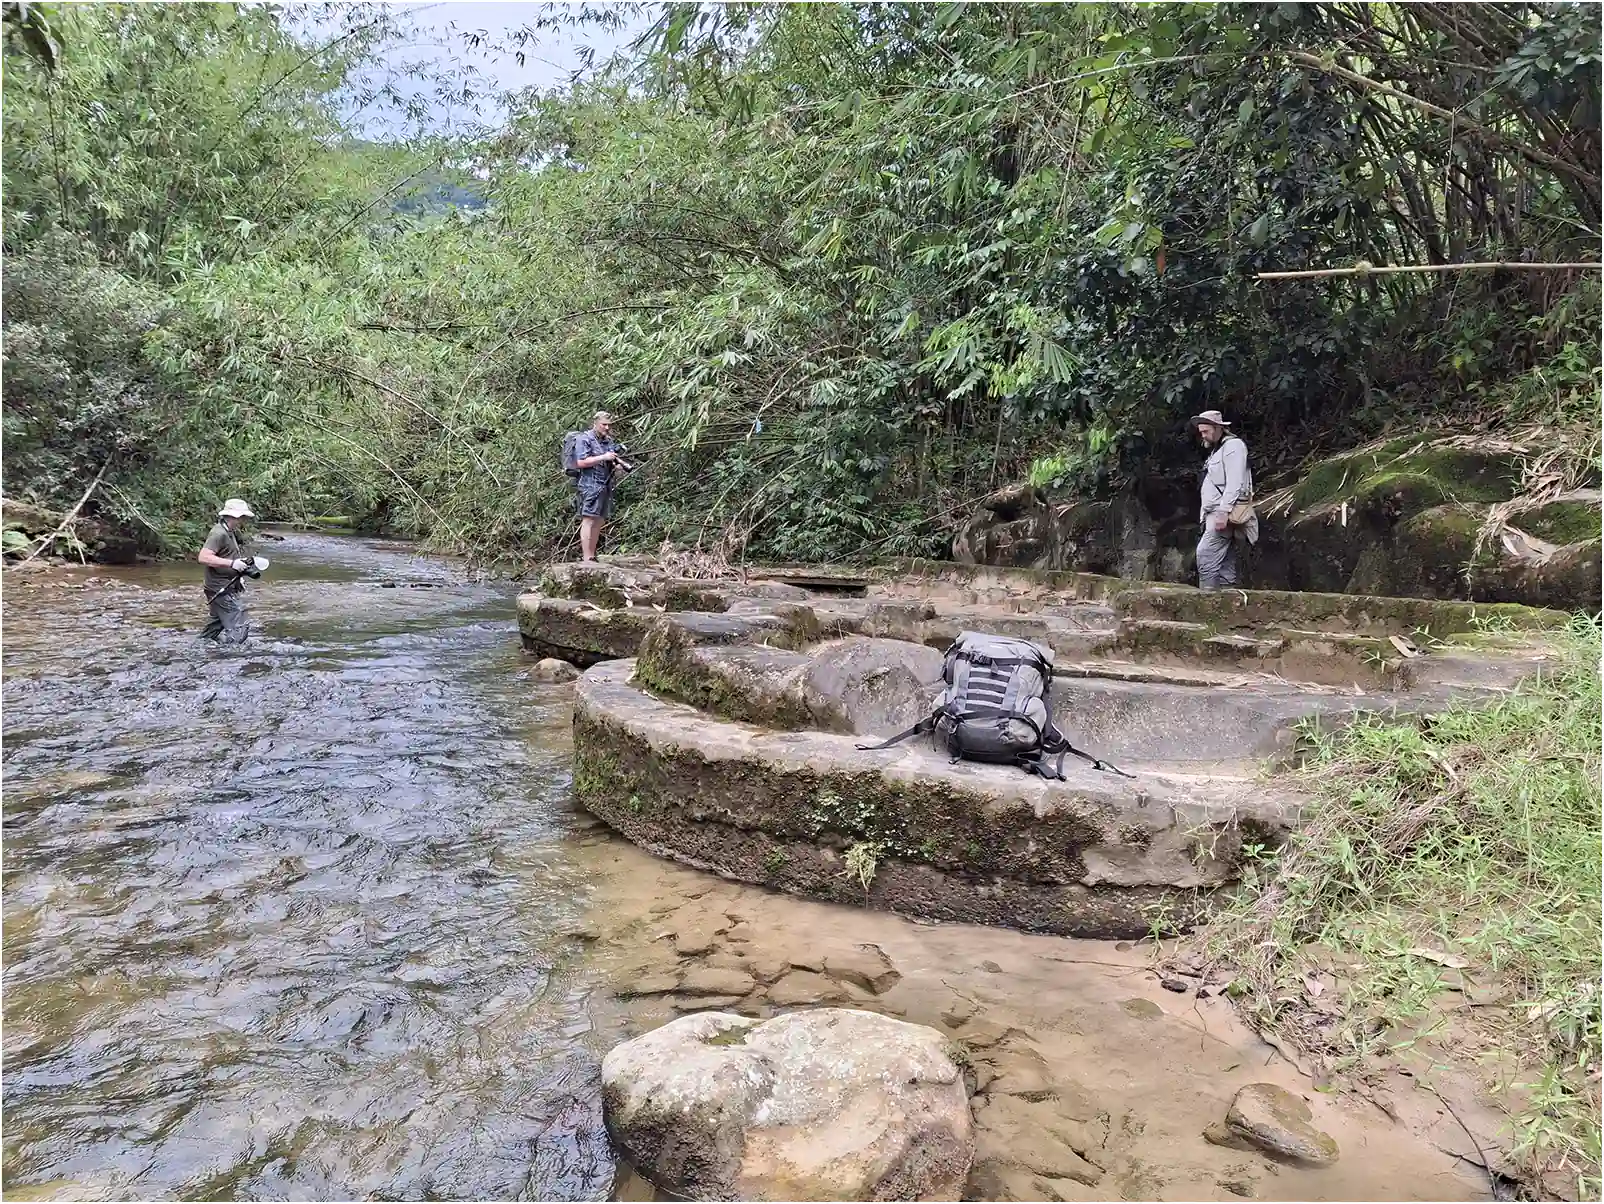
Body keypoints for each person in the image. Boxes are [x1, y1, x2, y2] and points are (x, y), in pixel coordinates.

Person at [1192, 410, 1258, 590]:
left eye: (1205, 431)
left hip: (1224, 514)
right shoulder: (1218, 450)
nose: (1202, 435)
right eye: (1201, 431)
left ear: (1218, 428)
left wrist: (1223, 512)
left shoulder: (1233, 447)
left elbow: (1235, 481)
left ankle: (1207, 600)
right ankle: (1227, 605)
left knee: (1205, 555)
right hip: (1217, 513)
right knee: (1225, 564)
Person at [197, 498, 256, 644]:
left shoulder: (229, 532)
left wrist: (239, 574)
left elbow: (227, 556)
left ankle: (198, 648)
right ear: (234, 516)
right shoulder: (219, 533)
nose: (244, 520)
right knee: (239, 623)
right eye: (242, 517)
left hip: (223, 587)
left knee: (215, 625)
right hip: (220, 589)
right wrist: (232, 564)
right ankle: (233, 655)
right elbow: (203, 557)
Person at [572, 410, 623, 562]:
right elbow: (580, 462)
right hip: (590, 484)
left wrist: (616, 465)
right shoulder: (585, 439)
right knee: (589, 518)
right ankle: (587, 557)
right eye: (604, 424)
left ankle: (592, 555)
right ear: (595, 423)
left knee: (599, 519)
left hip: (605, 483)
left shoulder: (608, 441)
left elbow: (609, 460)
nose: (607, 428)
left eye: (609, 425)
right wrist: (603, 457)